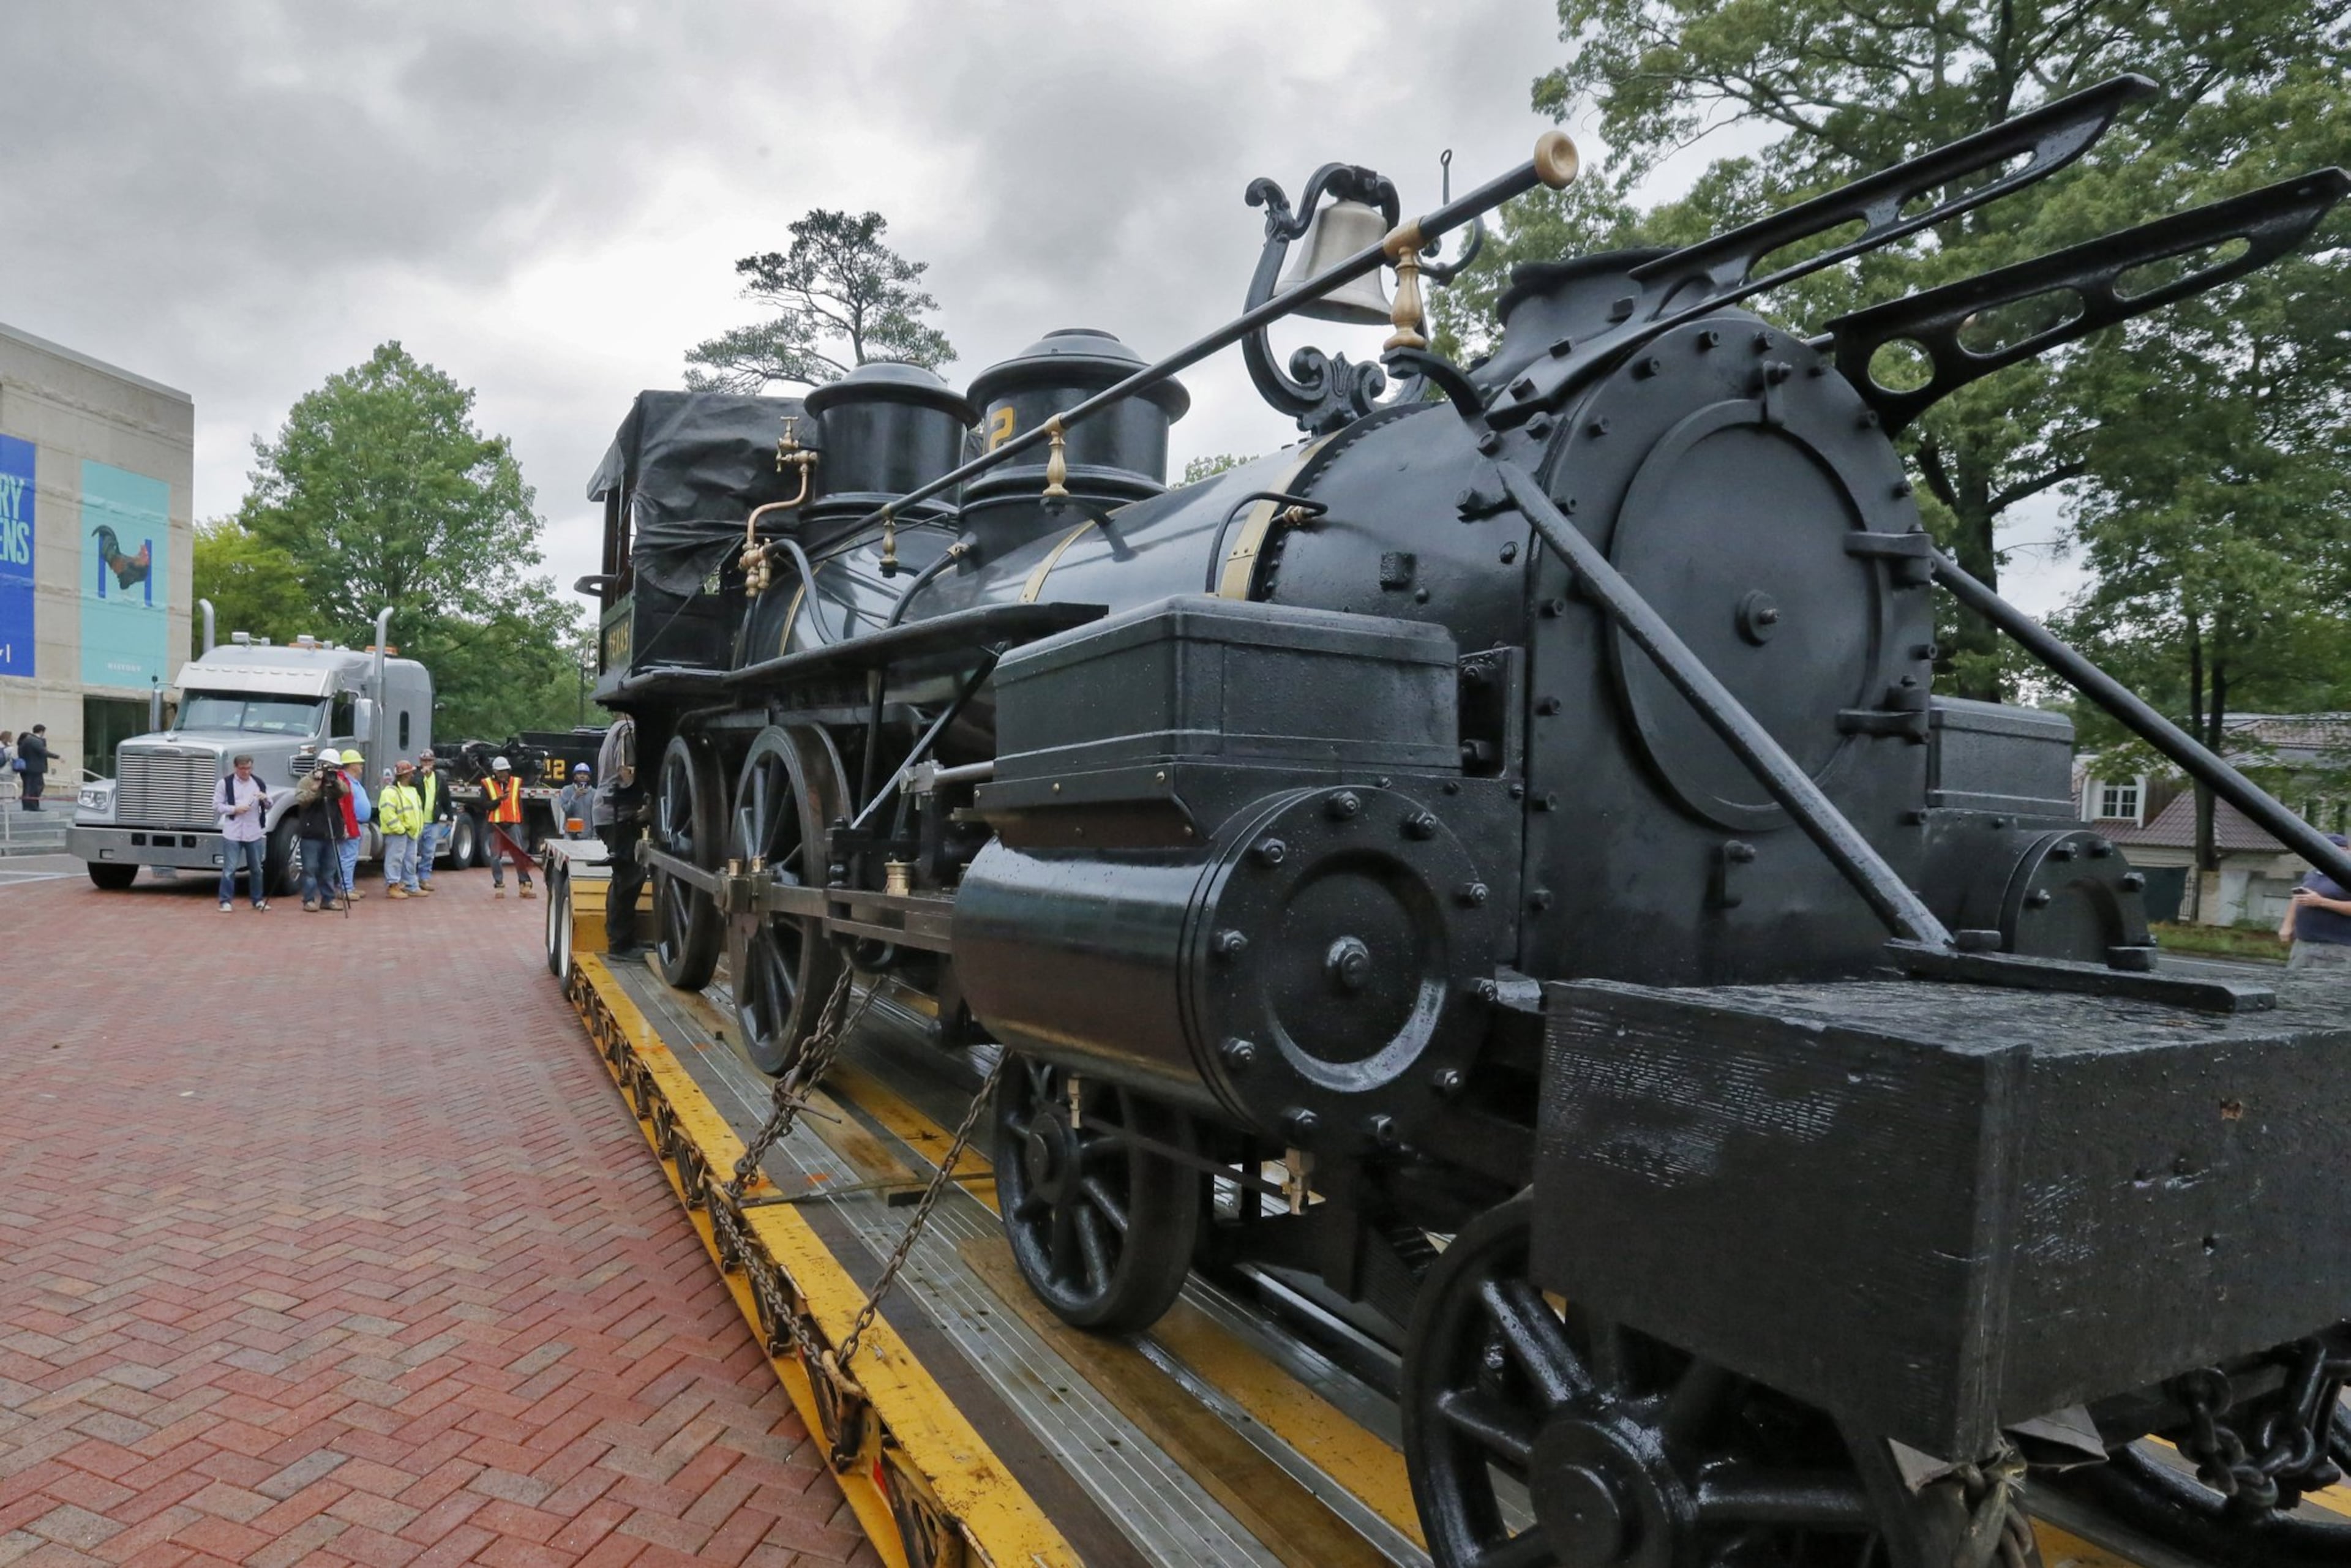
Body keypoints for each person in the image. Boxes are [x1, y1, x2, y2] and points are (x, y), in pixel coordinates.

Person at [594, 716, 645, 958]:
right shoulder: (629, 730)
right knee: (628, 877)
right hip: (617, 814)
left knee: (627, 876)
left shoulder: (618, 728)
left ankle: (625, 940)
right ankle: (620, 945)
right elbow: (628, 775)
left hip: (612, 813)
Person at [2279, 832, 2351, 970]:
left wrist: (2321, 902)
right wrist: (2287, 925)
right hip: (2303, 945)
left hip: (2338, 949)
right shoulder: (2313, 873)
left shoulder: (2347, 873)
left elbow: (2316, 901)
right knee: (2295, 987)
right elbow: (2298, 898)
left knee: (2329, 991)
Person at [214, 755, 273, 912]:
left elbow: (269, 806)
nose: (246, 772)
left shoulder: (258, 783)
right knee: (230, 869)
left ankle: (257, 900)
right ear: (236, 768)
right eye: (243, 769)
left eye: (249, 768)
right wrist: (235, 809)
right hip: (233, 832)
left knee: (256, 868)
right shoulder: (225, 783)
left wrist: (266, 799)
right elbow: (217, 805)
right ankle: (225, 901)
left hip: (253, 831)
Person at [293, 748, 349, 911]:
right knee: (310, 869)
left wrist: (334, 781)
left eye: (334, 767)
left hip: (331, 832)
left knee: (329, 869)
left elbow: (345, 792)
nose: (331, 770)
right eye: (329, 767)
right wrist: (315, 787)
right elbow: (301, 801)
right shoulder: (307, 780)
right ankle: (309, 900)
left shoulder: (333, 782)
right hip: (311, 832)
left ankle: (328, 899)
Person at [484, 754, 535, 899]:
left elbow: (518, 803)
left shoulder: (515, 783)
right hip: (495, 826)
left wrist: (520, 821)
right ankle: (499, 885)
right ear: (495, 772)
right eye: (500, 772)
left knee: (519, 854)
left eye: (505, 771)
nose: (503, 774)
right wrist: (498, 800)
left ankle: (524, 884)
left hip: (512, 824)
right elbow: (484, 805)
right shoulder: (487, 784)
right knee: (495, 857)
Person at [379, 760, 425, 899]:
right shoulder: (391, 792)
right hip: (398, 832)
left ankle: (411, 885)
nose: (413, 775)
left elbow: (417, 812)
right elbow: (388, 813)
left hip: (410, 832)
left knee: (410, 860)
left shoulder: (412, 791)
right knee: (395, 859)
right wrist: (399, 829)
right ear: (406, 775)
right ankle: (393, 885)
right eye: (411, 773)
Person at [339, 749, 372, 899]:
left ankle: (349, 886)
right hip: (351, 824)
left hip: (356, 824)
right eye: (359, 763)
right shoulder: (345, 782)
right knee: (347, 857)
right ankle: (345, 888)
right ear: (352, 765)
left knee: (351, 857)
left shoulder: (353, 781)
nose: (362, 767)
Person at [414, 749, 448, 894]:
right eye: (424, 761)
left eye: (429, 761)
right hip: (418, 821)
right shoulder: (415, 776)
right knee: (413, 851)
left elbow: (446, 796)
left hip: (432, 821)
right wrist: (421, 775)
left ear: (434, 762)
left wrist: (450, 816)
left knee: (429, 851)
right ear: (420, 762)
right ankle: (411, 879)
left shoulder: (439, 778)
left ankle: (425, 878)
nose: (427, 764)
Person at [554, 763, 595, 839]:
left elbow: (596, 815)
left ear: (589, 777)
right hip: (570, 834)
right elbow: (567, 810)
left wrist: (595, 835)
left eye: (585, 774)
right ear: (575, 777)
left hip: (588, 835)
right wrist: (575, 797)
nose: (582, 776)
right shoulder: (567, 790)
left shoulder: (594, 793)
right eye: (579, 774)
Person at [17, 722, 49, 809]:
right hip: (34, 769)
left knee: (28, 788)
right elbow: (43, 752)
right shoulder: (34, 741)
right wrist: (58, 757)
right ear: (42, 732)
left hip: (27, 769)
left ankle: (28, 806)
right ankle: (33, 806)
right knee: (36, 787)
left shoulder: (24, 742)